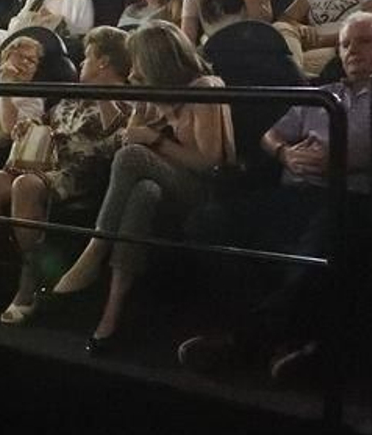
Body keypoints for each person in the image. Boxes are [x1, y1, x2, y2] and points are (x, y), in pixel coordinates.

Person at [178, 12, 372, 384]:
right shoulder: (323, 95)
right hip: (292, 191)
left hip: (345, 198)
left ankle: (246, 338)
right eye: (345, 44)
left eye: (364, 41)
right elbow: (271, 135)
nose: (352, 50)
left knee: (315, 249)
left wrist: (337, 159)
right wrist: (284, 154)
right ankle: (283, 338)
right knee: (206, 222)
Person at [47, 22, 234, 354]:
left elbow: (209, 163)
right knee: (143, 193)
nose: (133, 69)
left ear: (155, 59)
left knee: (135, 157)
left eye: (137, 62)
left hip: (204, 189)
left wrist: (156, 139)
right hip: (163, 185)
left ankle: (96, 248)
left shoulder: (205, 86)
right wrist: (144, 113)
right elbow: (127, 137)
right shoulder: (153, 93)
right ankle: (113, 312)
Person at [0, 27, 132, 324]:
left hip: (81, 175)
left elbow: (115, 132)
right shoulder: (69, 98)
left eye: (88, 57)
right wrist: (28, 127)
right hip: (43, 166)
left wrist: (101, 90)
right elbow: (18, 129)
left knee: (25, 184)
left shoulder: (128, 99)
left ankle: (28, 283)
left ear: (103, 62)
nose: (82, 63)